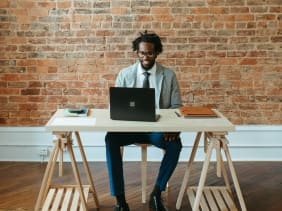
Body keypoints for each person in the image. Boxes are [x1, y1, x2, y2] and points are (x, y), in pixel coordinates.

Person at [105, 30, 183, 211]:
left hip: (157, 130)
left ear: (156, 52)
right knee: (111, 139)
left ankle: (156, 193)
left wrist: (175, 128)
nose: (145, 57)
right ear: (137, 52)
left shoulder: (169, 75)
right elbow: (115, 106)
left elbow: (176, 107)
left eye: (149, 52)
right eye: (142, 53)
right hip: (131, 129)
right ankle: (120, 200)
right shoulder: (125, 74)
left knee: (175, 145)